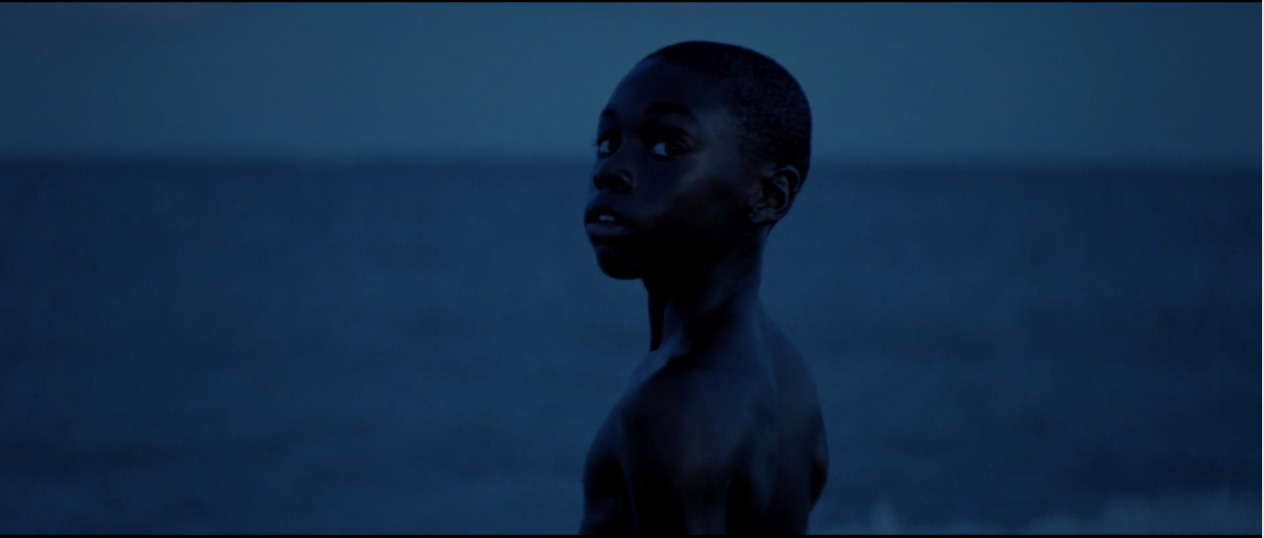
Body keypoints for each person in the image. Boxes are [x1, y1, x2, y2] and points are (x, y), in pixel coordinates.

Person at [579, 41, 829, 535]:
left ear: (767, 195)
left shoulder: (676, 403)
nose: (611, 170)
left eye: (666, 147)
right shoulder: (786, 373)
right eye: (608, 143)